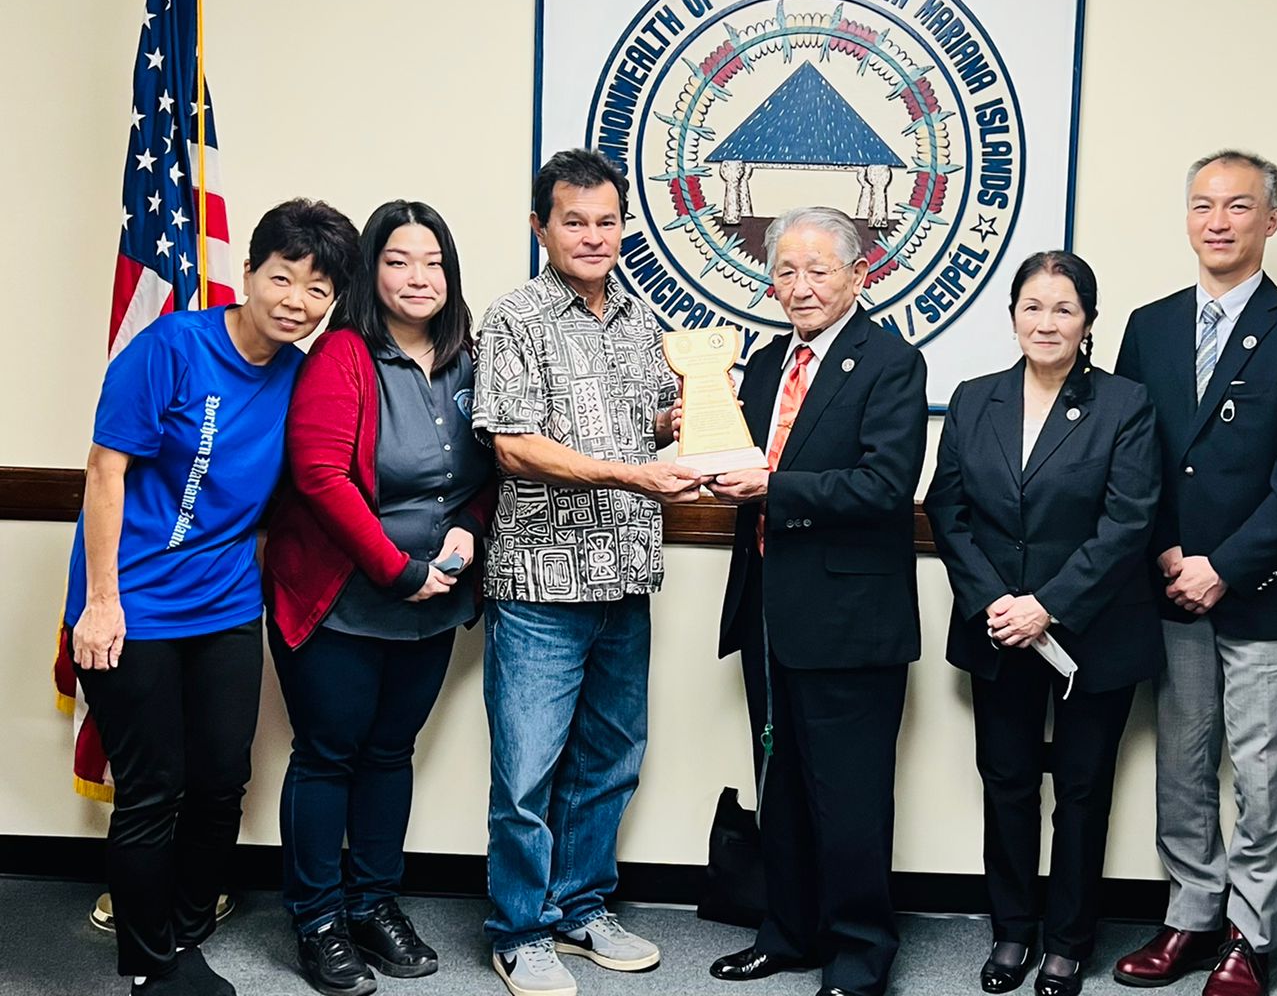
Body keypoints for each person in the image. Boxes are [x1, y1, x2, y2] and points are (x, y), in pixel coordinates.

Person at [65, 199, 359, 996]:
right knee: (153, 786)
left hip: (226, 605)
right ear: (252, 273)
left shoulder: (301, 375)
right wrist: (100, 603)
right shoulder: (170, 348)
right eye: (283, 277)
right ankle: (150, 965)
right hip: (133, 604)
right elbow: (106, 471)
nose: (296, 300)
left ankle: (185, 928)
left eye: (317, 290)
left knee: (223, 778)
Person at [1112, 150, 1277, 996]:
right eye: (1203, 205)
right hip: (1170, 585)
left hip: (1262, 591)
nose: (1218, 220)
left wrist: (1226, 564)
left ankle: (1251, 935)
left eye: (1239, 206)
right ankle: (1188, 914)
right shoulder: (1149, 325)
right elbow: (1130, 452)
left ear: (1271, 222)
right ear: (1186, 218)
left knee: (1258, 768)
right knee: (1181, 761)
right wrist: (1170, 552)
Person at [473, 148, 700, 996]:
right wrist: (635, 473)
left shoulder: (644, 320)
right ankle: (518, 930)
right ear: (541, 226)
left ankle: (580, 907)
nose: (593, 236)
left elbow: (648, 426)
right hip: (541, 586)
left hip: (625, 578)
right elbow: (513, 445)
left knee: (610, 759)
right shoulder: (514, 318)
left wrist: (683, 420)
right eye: (574, 220)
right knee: (527, 770)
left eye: (607, 221)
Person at [263, 201, 494, 996]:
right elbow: (321, 479)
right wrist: (398, 569)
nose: (417, 277)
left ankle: (373, 903)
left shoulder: (470, 358)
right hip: (343, 598)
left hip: (435, 597)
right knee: (329, 755)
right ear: (371, 271)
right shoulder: (342, 356)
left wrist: (465, 535)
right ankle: (318, 919)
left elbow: (485, 471)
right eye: (398, 260)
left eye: (432, 261)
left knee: (390, 754)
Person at [925, 251, 1162, 996]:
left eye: (1063, 309)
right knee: (1008, 784)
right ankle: (1012, 934)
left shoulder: (1125, 404)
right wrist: (997, 601)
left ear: (1088, 321)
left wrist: (1047, 606)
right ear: (1012, 315)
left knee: (1085, 790)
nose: (1046, 322)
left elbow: (1129, 521)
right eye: (1033, 306)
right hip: (999, 629)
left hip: (1092, 631)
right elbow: (946, 508)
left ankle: (1067, 942)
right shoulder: (974, 398)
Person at [707, 205, 928, 996]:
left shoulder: (891, 363)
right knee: (782, 787)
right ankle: (788, 932)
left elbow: (883, 484)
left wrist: (771, 488)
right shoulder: (766, 364)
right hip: (769, 610)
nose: (799, 287)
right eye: (785, 272)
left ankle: (861, 955)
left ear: (857, 275)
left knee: (850, 797)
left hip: (850, 620)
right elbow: (741, 460)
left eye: (818, 270)